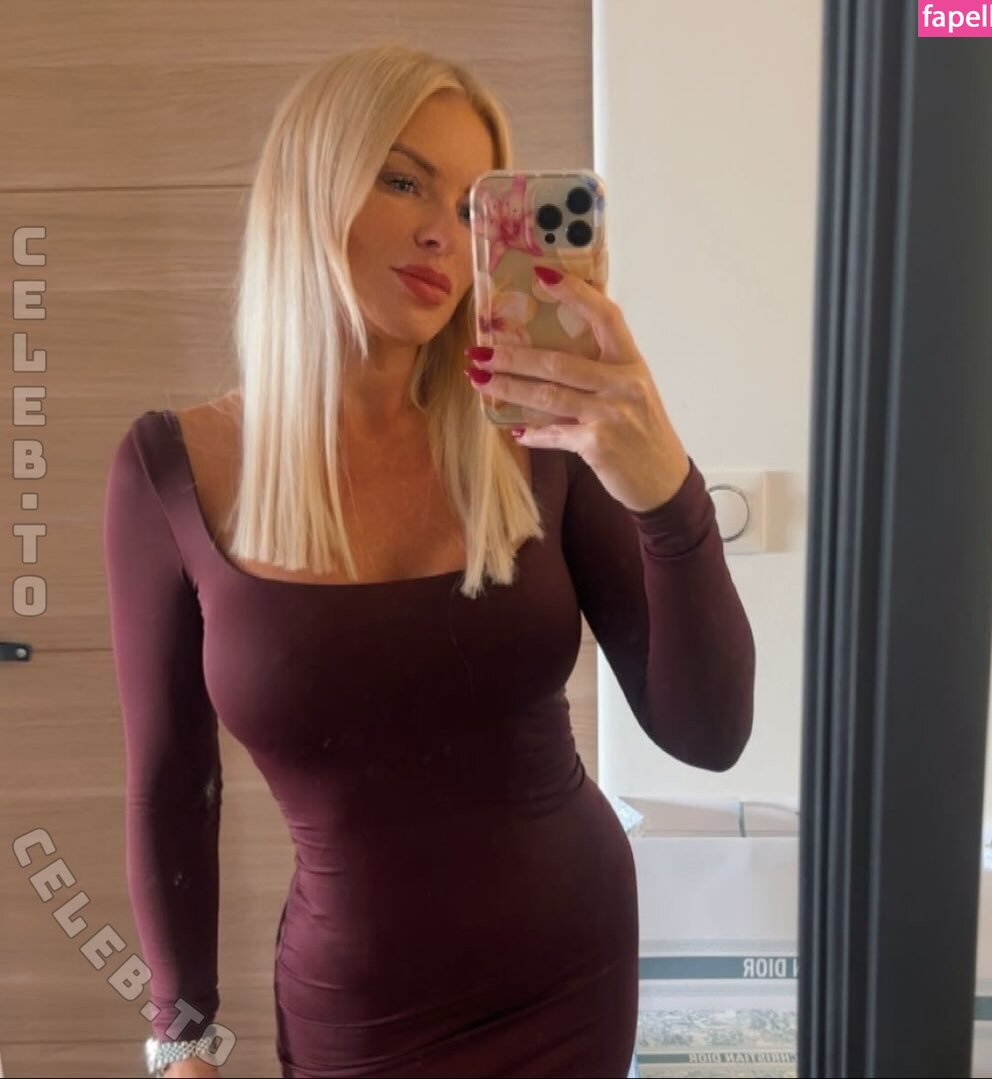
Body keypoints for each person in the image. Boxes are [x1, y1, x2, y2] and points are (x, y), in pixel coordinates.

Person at [102, 42, 756, 1079]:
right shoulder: (174, 469)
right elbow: (172, 782)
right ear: (308, 186)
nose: (441, 234)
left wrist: (666, 493)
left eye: (468, 206)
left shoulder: (540, 435)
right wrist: (179, 1033)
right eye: (403, 181)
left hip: (571, 975)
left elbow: (709, 732)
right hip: (357, 1010)